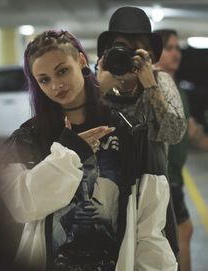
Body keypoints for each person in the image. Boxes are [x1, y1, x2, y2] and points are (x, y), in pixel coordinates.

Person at [0, 29, 177, 271]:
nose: (56, 85)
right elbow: (22, 206)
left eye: (62, 71)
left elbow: (150, 225)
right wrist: (69, 154)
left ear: (81, 61)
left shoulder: (129, 129)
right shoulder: (29, 137)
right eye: (44, 79)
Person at [95, 6, 187, 263]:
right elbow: (71, 132)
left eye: (135, 48)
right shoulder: (98, 83)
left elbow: (175, 132)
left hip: (150, 195)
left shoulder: (161, 81)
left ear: (147, 53)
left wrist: (150, 85)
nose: (126, 55)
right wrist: (99, 89)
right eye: (120, 46)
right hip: (104, 192)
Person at [154, 28, 208, 271]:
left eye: (177, 48)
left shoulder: (178, 90)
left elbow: (193, 131)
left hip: (174, 177)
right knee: (182, 233)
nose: (176, 53)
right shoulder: (155, 87)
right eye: (169, 48)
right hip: (162, 177)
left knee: (177, 236)